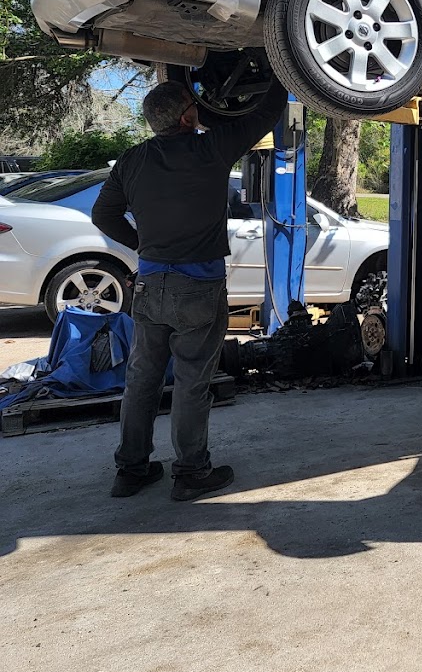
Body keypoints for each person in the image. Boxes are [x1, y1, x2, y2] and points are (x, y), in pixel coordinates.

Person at [92, 76, 288, 501]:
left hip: (148, 285)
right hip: (198, 287)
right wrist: (278, 65)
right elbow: (266, 113)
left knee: (141, 378)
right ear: (187, 116)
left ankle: (130, 470)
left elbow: (103, 215)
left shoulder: (131, 160)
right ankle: (191, 472)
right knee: (191, 381)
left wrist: (142, 244)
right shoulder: (210, 149)